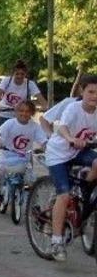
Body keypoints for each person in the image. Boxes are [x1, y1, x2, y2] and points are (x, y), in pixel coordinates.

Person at [42, 74, 97, 261]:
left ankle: (83, 188)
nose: (95, 96)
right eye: (91, 92)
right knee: (64, 195)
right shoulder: (73, 108)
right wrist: (71, 138)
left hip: (79, 153)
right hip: (58, 154)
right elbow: (62, 127)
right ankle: (56, 241)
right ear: (82, 91)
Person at [0, 100, 48, 210]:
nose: (24, 114)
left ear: (32, 113)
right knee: (0, 172)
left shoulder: (34, 127)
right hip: (6, 154)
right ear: (16, 112)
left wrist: (45, 147)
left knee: (31, 181)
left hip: (23, 157)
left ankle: (34, 204)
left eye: (27, 111)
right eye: (21, 111)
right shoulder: (10, 123)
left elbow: (43, 140)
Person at [0, 60, 44, 129]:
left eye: (22, 74)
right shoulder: (6, 81)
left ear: (25, 74)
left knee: (31, 130)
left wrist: (45, 107)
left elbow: (41, 99)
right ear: (13, 73)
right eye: (17, 74)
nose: (19, 76)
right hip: (3, 115)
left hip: (21, 117)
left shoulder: (30, 84)